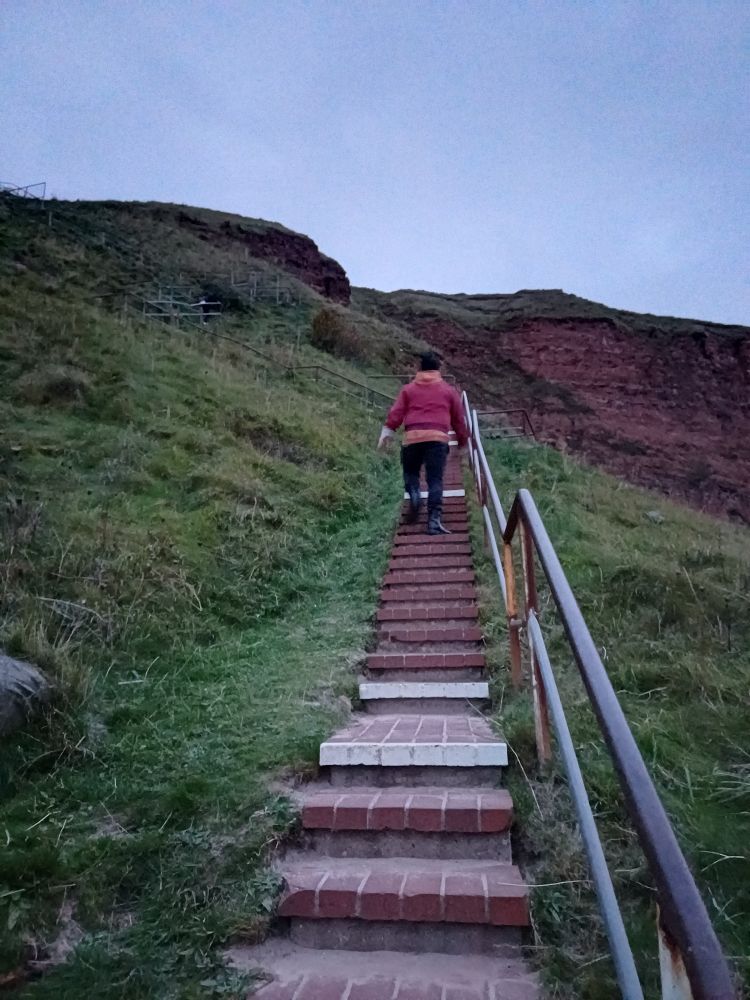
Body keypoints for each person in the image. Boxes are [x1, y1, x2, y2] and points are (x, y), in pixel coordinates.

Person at [377, 352, 468, 534]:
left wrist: (387, 432)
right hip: (437, 439)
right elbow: (458, 419)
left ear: (419, 368)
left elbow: (396, 413)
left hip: (413, 437)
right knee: (435, 480)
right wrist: (462, 442)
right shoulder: (448, 390)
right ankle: (434, 521)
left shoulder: (408, 390)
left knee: (410, 472)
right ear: (438, 369)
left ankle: (415, 495)